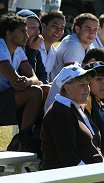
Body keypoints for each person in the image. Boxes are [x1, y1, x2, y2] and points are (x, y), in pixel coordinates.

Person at [41, 63, 104, 183]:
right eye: (82, 85)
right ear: (67, 87)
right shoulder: (60, 113)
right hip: (67, 180)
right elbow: (69, 159)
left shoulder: (78, 108)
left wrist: (102, 173)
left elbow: (94, 147)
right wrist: (97, 177)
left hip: (89, 176)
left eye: (87, 84)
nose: (87, 89)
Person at [0, 14, 43, 152]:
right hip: (2, 99)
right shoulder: (0, 47)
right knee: (36, 92)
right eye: (22, 31)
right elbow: (16, 81)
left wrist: (28, 81)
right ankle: (23, 140)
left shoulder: (18, 49)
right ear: (9, 33)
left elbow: (34, 78)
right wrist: (28, 82)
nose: (27, 35)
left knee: (46, 89)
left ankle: (40, 136)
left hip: (6, 98)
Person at [44, 13, 98, 112]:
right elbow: (75, 79)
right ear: (77, 29)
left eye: (95, 30)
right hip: (61, 94)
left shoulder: (89, 45)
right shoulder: (73, 45)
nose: (92, 33)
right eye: (88, 28)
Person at [16, 9, 48, 84]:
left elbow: (42, 74)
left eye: (38, 28)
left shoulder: (33, 46)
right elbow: (27, 75)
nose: (37, 32)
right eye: (32, 27)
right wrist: (32, 51)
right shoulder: (14, 47)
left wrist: (42, 83)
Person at [39, 11, 65, 81]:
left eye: (62, 28)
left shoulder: (54, 51)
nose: (58, 31)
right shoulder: (33, 47)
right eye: (54, 26)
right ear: (43, 26)